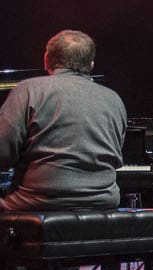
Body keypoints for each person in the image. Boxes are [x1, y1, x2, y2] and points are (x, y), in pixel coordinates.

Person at [0, 29, 127, 212]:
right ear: (91, 64)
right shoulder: (114, 99)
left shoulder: (28, 90)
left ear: (46, 60)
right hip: (103, 202)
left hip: (38, 201)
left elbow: (3, 154)